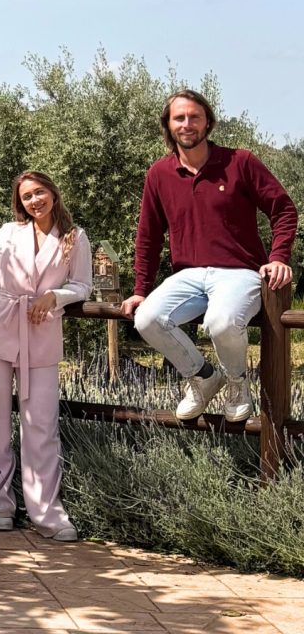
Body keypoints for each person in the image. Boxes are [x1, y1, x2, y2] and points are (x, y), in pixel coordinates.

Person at [120, 90, 297, 423]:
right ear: (168, 125)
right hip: (188, 275)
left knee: (221, 322)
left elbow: (283, 208)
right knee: (146, 318)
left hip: (239, 272)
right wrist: (141, 288)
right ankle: (202, 377)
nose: (187, 124)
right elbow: (148, 236)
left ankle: (237, 383)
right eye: (179, 118)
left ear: (208, 122)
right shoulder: (159, 174)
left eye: (194, 117)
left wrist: (279, 256)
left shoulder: (240, 162)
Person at [0, 171, 92, 540]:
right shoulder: (8, 233)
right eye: (27, 196)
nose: (35, 201)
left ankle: (47, 514)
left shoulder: (74, 237)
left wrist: (56, 296)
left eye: (40, 192)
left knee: (41, 428)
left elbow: (83, 285)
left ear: (53, 192)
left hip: (42, 331)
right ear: (20, 203)